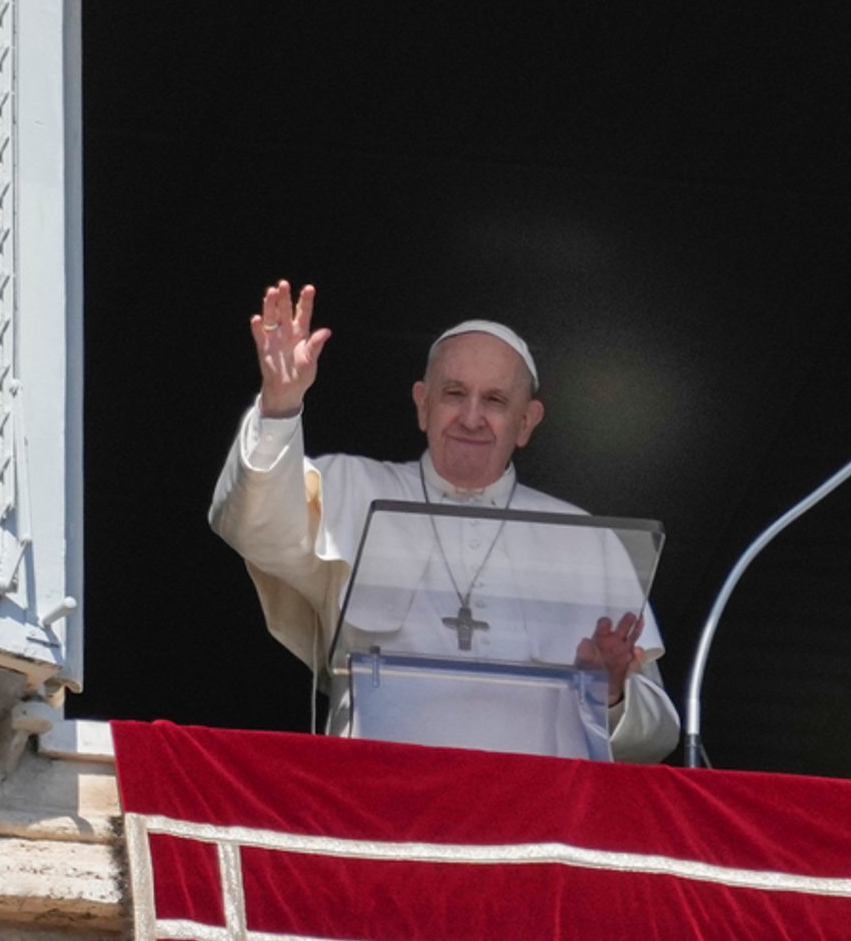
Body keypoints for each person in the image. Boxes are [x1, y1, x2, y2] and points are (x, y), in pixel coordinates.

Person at [210, 280, 680, 763]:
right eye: (454, 393)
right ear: (423, 404)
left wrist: (611, 695)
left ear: (526, 422)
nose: (472, 417)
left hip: (537, 821)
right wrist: (280, 405)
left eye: (495, 401)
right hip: (380, 806)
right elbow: (250, 523)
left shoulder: (588, 540)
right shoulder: (349, 487)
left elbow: (657, 738)